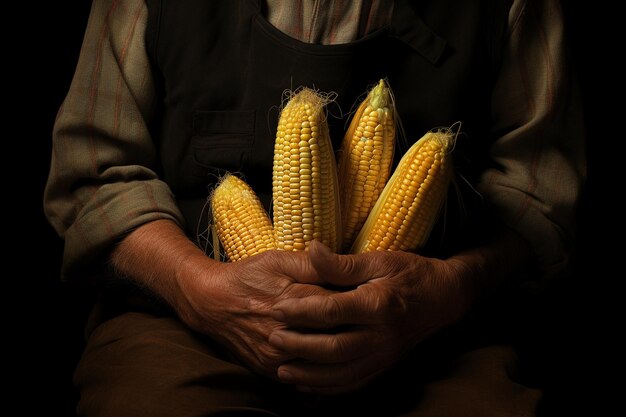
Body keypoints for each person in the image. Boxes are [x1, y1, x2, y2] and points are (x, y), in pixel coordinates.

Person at [44, 0, 585, 415]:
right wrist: (196, 288)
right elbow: (94, 175)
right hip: (188, 318)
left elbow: (536, 192)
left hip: (433, 328)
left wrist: (453, 289)